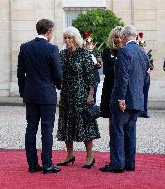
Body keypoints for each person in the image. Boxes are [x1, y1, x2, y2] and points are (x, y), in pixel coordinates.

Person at [99, 25, 149, 173]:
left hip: (124, 100)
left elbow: (122, 78)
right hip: (137, 99)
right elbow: (146, 78)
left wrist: (121, 98)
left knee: (117, 131)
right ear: (135, 36)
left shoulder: (124, 51)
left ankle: (117, 164)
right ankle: (129, 163)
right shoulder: (143, 53)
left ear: (124, 36)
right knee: (130, 132)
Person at [17, 19, 63, 174]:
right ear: (49, 31)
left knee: (31, 128)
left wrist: (23, 91)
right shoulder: (52, 49)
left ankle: (32, 164)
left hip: (31, 95)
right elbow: (57, 73)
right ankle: (47, 164)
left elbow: (20, 73)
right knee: (46, 130)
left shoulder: (25, 47)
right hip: (47, 95)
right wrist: (59, 86)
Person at [57, 26, 100, 169]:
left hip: (81, 95)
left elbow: (92, 77)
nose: (67, 40)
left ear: (76, 39)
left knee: (85, 124)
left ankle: (90, 156)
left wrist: (91, 94)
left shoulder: (85, 54)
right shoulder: (62, 54)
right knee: (66, 124)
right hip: (66, 95)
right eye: (65, 38)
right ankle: (69, 155)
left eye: (70, 38)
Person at [100, 26, 123, 119]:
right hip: (110, 86)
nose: (119, 39)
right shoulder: (107, 51)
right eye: (116, 37)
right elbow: (106, 70)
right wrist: (119, 68)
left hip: (121, 86)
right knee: (110, 116)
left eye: (121, 37)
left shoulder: (125, 51)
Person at [138, 32, 154, 118]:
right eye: (141, 46)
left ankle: (145, 112)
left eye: (144, 46)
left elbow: (152, 66)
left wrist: (150, 66)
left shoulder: (149, 56)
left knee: (145, 95)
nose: (142, 47)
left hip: (146, 78)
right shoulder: (137, 55)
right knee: (139, 95)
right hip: (139, 78)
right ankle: (139, 111)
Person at [85, 37, 102, 104]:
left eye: (91, 44)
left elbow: (99, 65)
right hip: (86, 79)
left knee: (93, 96)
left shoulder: (96, 53)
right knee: (85, 97)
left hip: (94, 78)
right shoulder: (83, 53)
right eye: (88, 44)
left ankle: (92, 113)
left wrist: (95, 62)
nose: (89, 45)